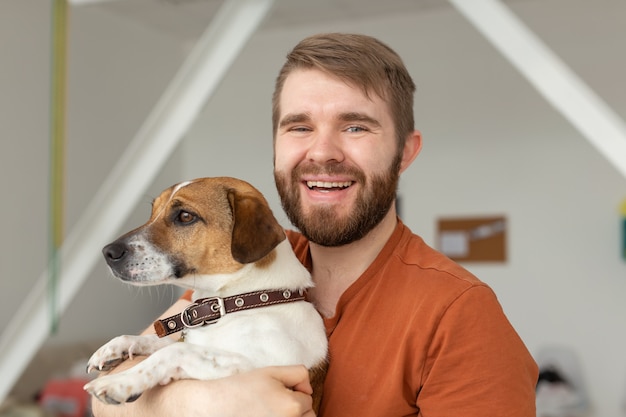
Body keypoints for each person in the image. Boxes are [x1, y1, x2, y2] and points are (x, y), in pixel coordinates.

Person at [92, 33, 538, 417]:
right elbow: (106, 398)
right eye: (299, 127)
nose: (322, 152)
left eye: (356, 127)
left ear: (405, 152)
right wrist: (202, 403)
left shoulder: (459, 315)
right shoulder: (242, 265)